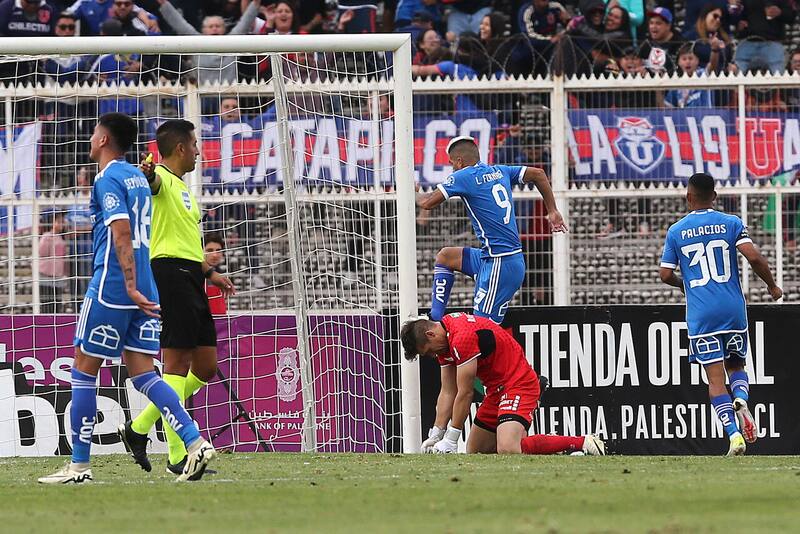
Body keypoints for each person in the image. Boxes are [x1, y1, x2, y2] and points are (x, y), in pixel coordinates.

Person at [38, 113, 216, 484]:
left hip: (115, 285)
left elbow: (121, 231)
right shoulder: (139, 176)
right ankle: (195, 441)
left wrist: (129, 285)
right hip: (148, 285)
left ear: (104, 139)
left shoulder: (108, 177)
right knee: (143, 374)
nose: (89, 138)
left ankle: (80, 465)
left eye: (93, 132)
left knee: (83, 369)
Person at [119, 119, 235, 475]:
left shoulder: (185, 189)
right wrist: (149, 172)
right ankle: (176, 457)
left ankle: (138, 428)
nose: (199, 151)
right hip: (169, 274)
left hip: (191, 275)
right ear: (181, 148)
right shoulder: (162, 181)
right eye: (195, 145)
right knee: (176, 365)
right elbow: (152, 182)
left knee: (205, 366)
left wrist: (210, 272)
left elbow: (187, 242)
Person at [659, 172, 783, 456]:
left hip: (702, 316)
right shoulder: (731, 223)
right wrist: (772, 286)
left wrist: (684, 285)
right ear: (714, 196)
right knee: (737, 368)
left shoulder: (677, 231)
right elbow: (753, 257)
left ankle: (733, 435)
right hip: (733, 311)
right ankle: (741, 398)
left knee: (715, 380)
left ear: (688, 197)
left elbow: (665, 274)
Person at [401, 313, 605, 455]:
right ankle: (547, 446)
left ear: (430, 334)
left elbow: (465, 393)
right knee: (477, 451)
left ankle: (584, 443)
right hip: (496, 390)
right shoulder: (443, 343)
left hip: (518, 383)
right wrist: (437, 434)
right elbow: (448, 391)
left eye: (428, 351)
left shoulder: (461, 337)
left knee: (508, 448)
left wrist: (452, 438)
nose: (431, 355)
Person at [415, 136, 566, 324]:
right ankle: (435, 318)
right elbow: (539, 174)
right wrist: (552, 210)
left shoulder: (463, 176)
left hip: (500, 263)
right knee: (446, 257)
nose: (451, 167)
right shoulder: (499, 171)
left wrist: (410, 191)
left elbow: (427, 203)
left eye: (452, 162)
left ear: (460, 161)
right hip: (494, 258)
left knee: (482, 331)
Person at [155, 0, 260, 85]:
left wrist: (256, 3)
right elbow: (179, 23)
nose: (214, 29)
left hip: (228, 95)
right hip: (200, 94)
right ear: (203, 30)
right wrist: (164, 3)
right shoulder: (197, 41)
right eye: (211, 26)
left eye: (218, 26)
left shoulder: (231, 42)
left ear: (224, 29)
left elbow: (245, 23)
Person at [732, 0, 796, 73]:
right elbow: (733, 18)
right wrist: (738, 22)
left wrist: (780, 12)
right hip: (747, 42)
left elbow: (791, 17)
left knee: (778, 78)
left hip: (772, 44)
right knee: (735, 77)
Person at [664, 43, 714, 108]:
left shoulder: (703, 74)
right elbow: (668, 108)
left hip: (705, 117)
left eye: (690, 58)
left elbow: (713, 65)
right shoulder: (676, 83)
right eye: (684, 59)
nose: (687, 62)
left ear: (697, 60)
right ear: (679, 62)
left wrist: (715, 50)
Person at [39, 213, 68, 314]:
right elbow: (42, 253)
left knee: (56, 303)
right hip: (47, 275)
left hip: (57, 275)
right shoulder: (47, 236)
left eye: (62, 222)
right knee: (46, 303)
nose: (61, 225)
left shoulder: (61, 237)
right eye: (59, 222)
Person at [203, 233, 228, 315]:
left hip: (220, 324)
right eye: (209, 250)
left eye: (218, 250)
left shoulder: (221, 275)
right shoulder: (193, 275)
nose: (215, 255)